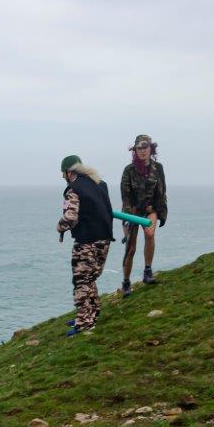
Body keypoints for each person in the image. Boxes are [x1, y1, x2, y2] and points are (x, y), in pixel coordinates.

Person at [56, 155, 115, 335]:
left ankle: (83, 323)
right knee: (90, 279)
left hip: (86, 242)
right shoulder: (100, 184)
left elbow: (71, 217)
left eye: (63, 174)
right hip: (104, 240)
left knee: (81, 281)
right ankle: (92, 313)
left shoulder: (73, 190)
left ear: (69, 172)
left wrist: (60, 227)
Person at [118, 134, 168, 296]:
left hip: (150, 209)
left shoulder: (157, 168)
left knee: (150, 234)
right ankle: (126, 282)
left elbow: (162, 191)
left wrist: (162, 213)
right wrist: (126, 219)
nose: (142, 151)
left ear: (150, 148)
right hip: (132, 212)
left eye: (145, 147)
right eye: (139, 148)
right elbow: (125, 196)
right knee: (130, 248)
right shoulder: (129, 170)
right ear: (135, 151)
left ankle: (148, 271)